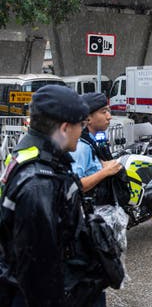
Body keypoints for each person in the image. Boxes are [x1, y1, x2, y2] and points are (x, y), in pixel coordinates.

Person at [0, 85, 94, 306]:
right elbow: (39, 270)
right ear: (63, 128)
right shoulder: (39, 184)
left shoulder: (34, 155)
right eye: (80, 125)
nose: (82, 132)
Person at [68, 92, 127, 307]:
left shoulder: (95, 141)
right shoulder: (81, 147)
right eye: (104, 112)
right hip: (87, 225)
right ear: (88, 118)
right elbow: (75, 185)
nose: (110, 116)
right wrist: (106, 171)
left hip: (100, 221)